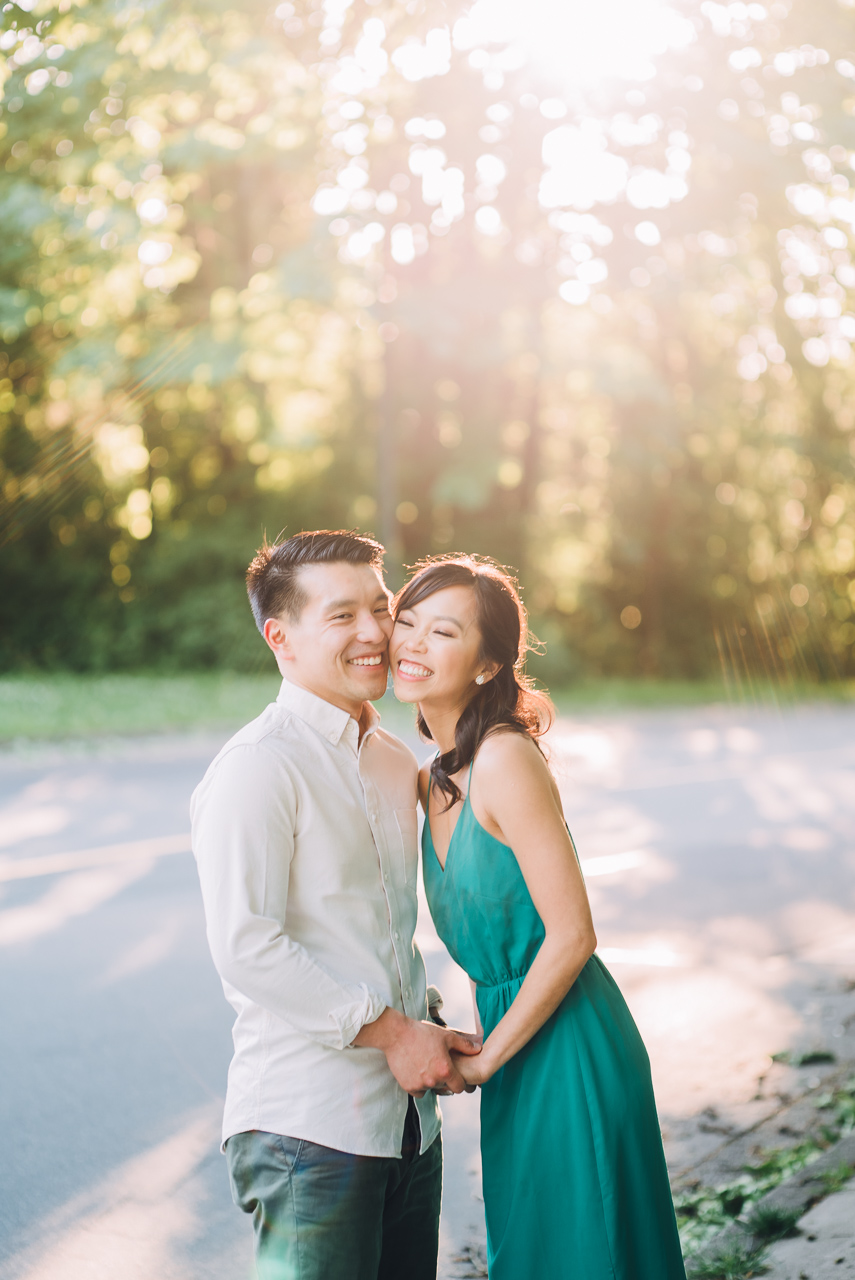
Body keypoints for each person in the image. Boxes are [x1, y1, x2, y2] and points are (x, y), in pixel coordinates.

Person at [190, 530, 481, 1280]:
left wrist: (424, 1019)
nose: (375, 633)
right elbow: (246, 946)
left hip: (406, 1126)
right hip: (306, 1133)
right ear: (280, 638)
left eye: (381, 609)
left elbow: (369, 927)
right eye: (342, 615)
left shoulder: (391, 759)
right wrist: (391, 1032)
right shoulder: (259, 767)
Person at [390, 554, 687, 1280]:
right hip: (514, 1046)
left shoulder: (502, 759)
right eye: (406, 623)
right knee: (532, 1256)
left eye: (442, 631)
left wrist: (488, 1059)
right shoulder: (431, 779)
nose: (413, 644)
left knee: (590, 1255)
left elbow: (572, 934)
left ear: (488, 664)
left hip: (569, 1045)